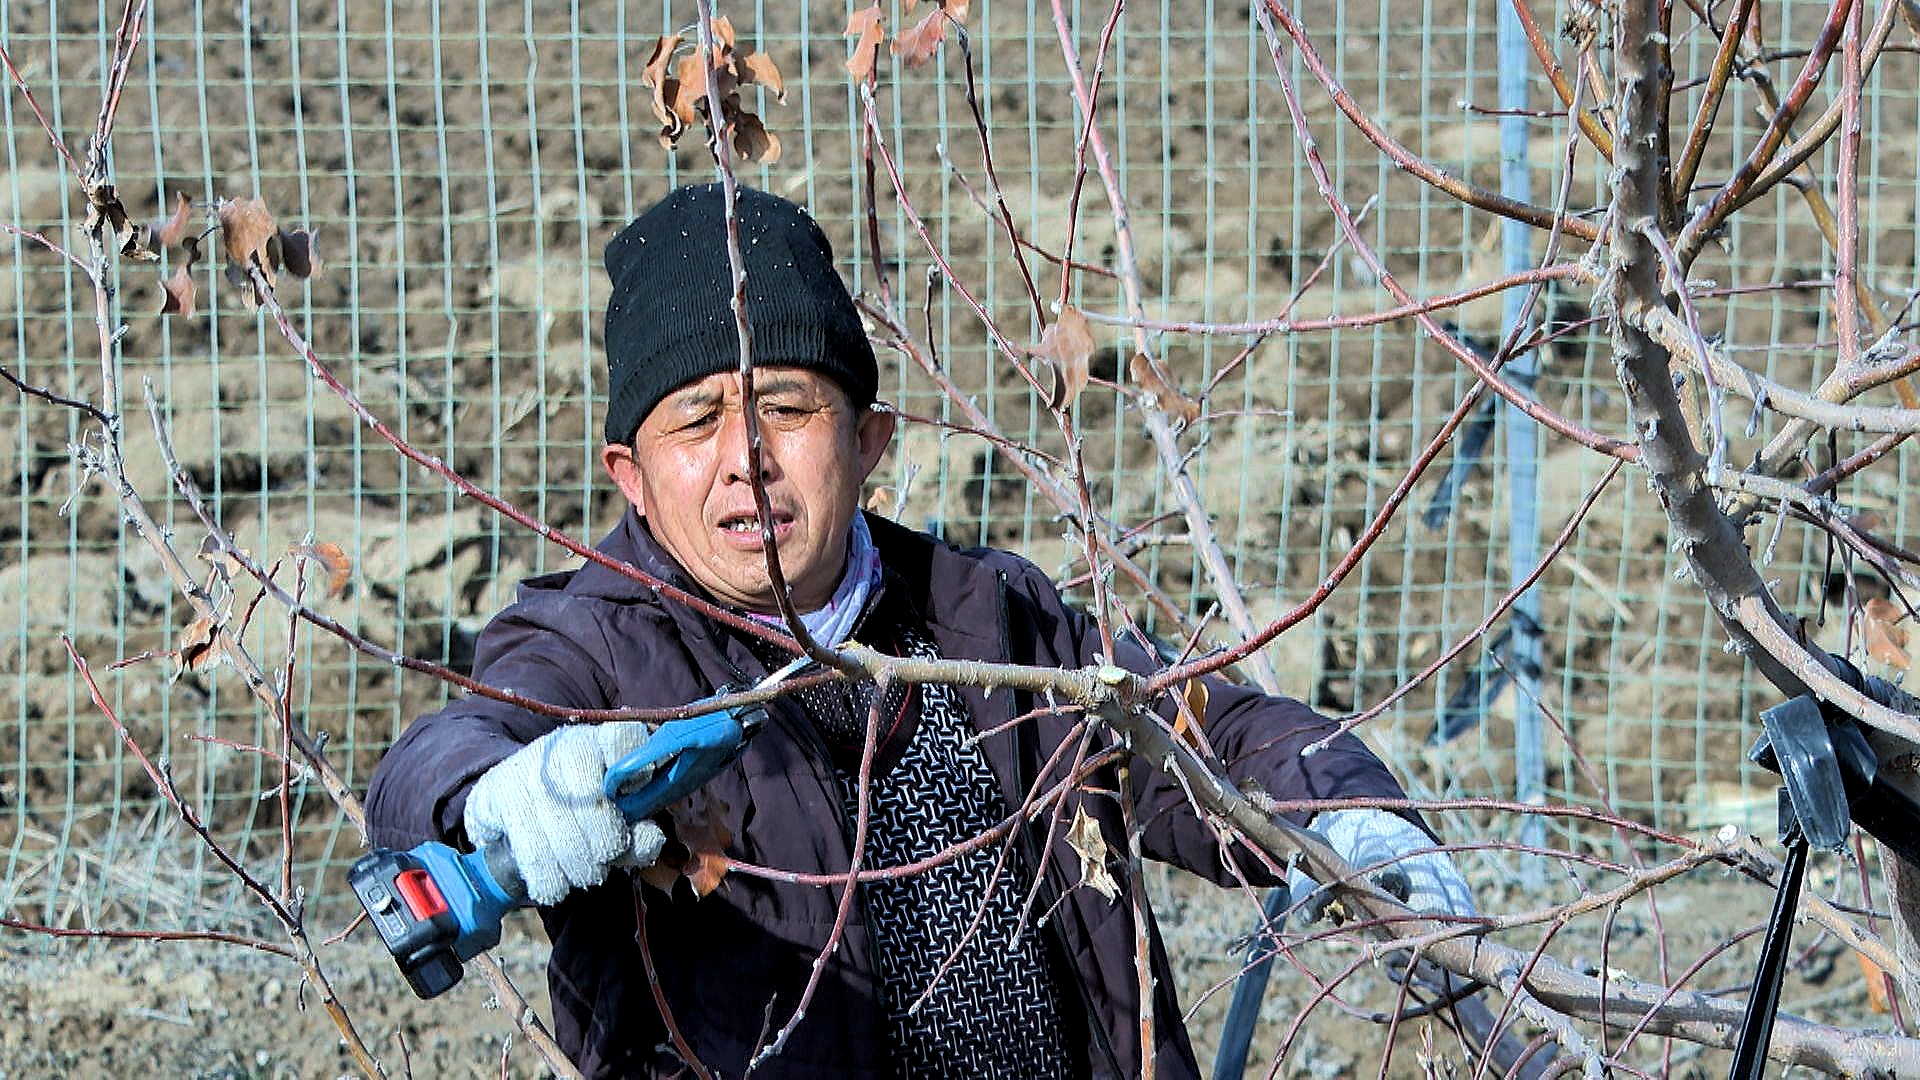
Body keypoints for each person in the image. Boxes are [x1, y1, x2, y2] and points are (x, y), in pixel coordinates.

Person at [365, 182, 1473, 1079]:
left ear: (870, 440)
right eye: (695, 422)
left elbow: (1206, 737)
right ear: (634, 480)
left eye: (788, 407)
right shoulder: (598, 649)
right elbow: (449, 753)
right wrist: (498, 799)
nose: (746, 454)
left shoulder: (987, 619)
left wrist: (1357, 821)